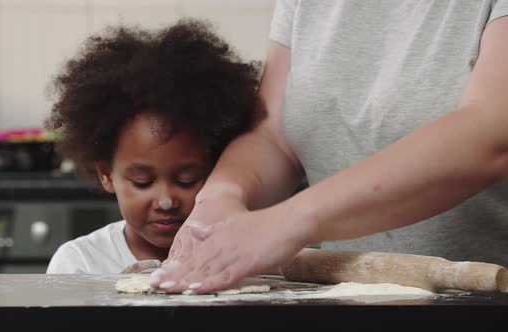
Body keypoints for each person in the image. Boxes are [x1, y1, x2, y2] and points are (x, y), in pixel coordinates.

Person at [150, 0, 508, 293]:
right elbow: (274, 135)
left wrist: (289, 221)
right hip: (344, 302)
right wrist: (222, 197)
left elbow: (490, 135)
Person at [44, 19, 260, 273]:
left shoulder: (244, 256)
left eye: (187, 181)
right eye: (142, 182)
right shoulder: (80, 263)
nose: (166, 202)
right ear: (106, 174)